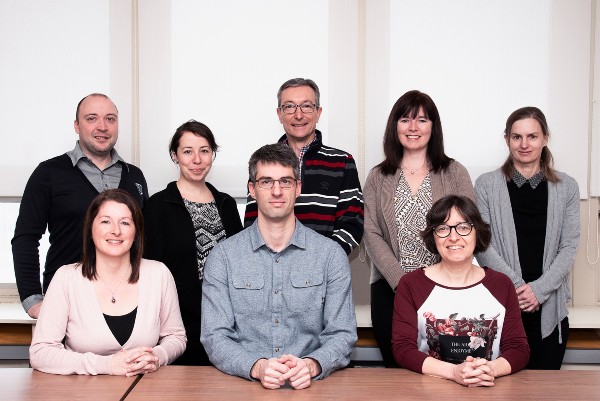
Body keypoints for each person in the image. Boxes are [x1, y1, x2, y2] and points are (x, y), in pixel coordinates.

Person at [201, 144, 357, 390]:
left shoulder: (330, 255)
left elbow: (342, 333)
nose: (276, 191)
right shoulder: (223, 257)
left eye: (285, 181)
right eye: (266, 182)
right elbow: (214, 336)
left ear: (298, 188)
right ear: (252, 189)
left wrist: (312, 365)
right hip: (244, 387)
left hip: (311, 387)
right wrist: (256, 366)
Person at [363, 90, 475, 367]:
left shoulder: (455, 172)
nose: (413, 127)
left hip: (448, 288)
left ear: (433, 127)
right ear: (395, 126)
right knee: (398, 372)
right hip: (391, 289)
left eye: (422, 120)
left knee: (447, 369)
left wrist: (433, 283)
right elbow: (371, 232)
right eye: (405, 119)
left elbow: (467, 228)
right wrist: (403, 284)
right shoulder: (378, 176)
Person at [12, 93, 148, 319]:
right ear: (77, 125)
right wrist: (32, 299)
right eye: (92, 118)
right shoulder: (48, 173)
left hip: (126, 299)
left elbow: (143, 237)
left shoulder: (134, 176)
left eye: (110, 119)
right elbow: (26, 237)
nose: (102, 126)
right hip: (67, 300)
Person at [30, 189, 186, 375]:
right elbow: (40, 353)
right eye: (105, 221)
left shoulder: (159, 274)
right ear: (90, 229)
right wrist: (107, 365)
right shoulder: (66, 278)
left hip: (145, 387)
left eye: (125, 223)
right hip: (82, 389)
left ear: (136, 232)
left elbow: (176, 337)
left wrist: (157, 356)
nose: (116, 231)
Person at [475, 106, 580, 370]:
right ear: (507, 139)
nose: (524, 144)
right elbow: (483, 244)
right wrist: (518, 288)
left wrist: (538, 290)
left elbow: (569, 246)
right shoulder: (486, 184)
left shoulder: (567, 187)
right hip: (502, 304)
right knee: (500, 385)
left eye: (532, 136)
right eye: (516, 137)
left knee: (545, 387)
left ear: (545, 138)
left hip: (549, 306)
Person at [392, 195, 530, 386]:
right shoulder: (411, 284)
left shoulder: (502, 284)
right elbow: (402, 349)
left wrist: (490, 370)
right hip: (430, 390)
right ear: (433, 235)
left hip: (488, 388)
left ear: (477, 233)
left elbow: (518, 348)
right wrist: (454, 372)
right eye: (443, 228)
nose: (453, 237)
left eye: (463, 227)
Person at [143, 120, 243, 365]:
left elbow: (240, 265)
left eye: (204, 151)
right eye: (188, 151)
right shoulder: (157, 206)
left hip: (226, 322)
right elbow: (149, 272)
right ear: (175, 156)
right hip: (176, 325)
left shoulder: (227, 204)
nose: (197, 160)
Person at [243, 78, 364, 255]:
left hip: (324, 266)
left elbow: (352, 225)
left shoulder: (342, 162)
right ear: (279, 114)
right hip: (270, 266)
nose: (298, 115)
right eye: (289, 107)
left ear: (318, 112)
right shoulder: (263, 162)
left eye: (306, 106)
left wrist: (321, 260)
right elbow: (252, 224)